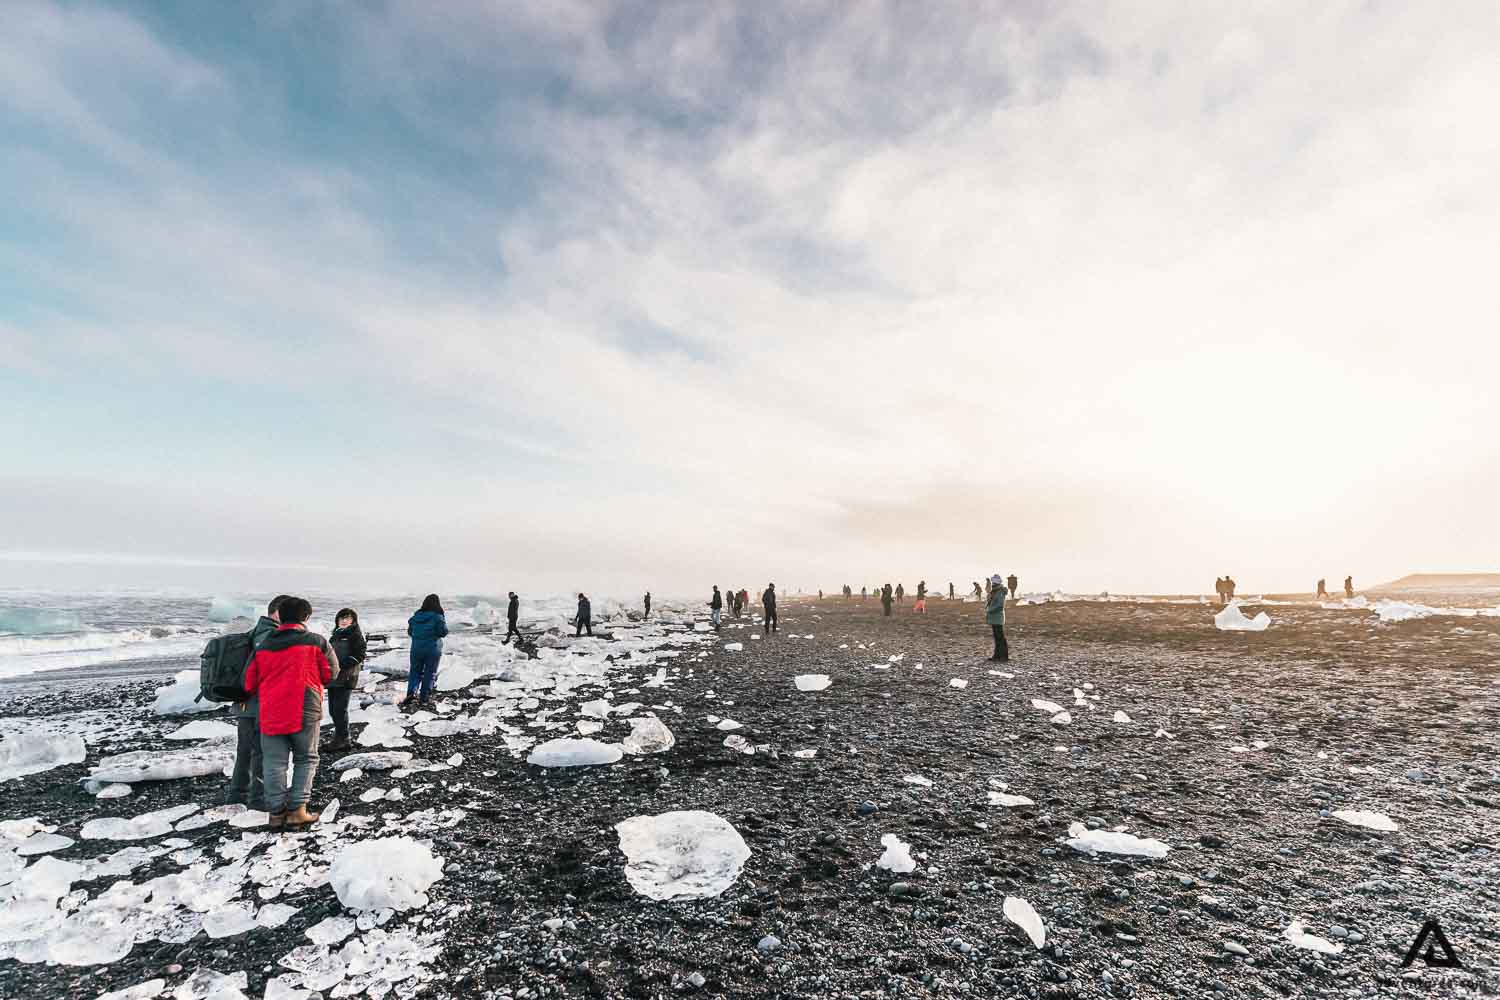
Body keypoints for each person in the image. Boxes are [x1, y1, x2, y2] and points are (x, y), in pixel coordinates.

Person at [242, 595, 335, 829]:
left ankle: (276, 813)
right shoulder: (316, 642)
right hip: (305, 706)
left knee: (274, 762)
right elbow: (331, 674)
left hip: (271, 710)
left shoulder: (263, 646)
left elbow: (249, 682)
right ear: (306, 617)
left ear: (279, 616)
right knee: (306, 758)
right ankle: (297, 810)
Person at [226, 595, 288, 809]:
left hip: (245, 702)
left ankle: (237, 795)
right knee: (261, 751)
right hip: (258, 703)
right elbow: (265, 671)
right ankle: (257, 800)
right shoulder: (269, 634)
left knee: (245, 750)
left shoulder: (258, 630)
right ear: (277, 612)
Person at [326, 607, 365, 751]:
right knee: (332, 710)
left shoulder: (355, 635)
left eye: (347, 618)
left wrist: (340, 665)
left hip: (346, 677)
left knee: (340, 709)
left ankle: (343, 739)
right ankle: (339, 737)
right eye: (341, 618)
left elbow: (359, 655)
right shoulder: (334, 635)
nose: (343, 620)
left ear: (353, 621)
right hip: (333, 678)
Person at [403, 594, 448, 707]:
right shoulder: (438, 617)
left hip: (416, 649)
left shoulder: (415, 617)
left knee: (415, 671)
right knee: (430, 673)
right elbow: (443, 632)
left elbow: (410, 632)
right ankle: (424, 698)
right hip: (432, 649)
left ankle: (411, 694)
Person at [986, 575, 1010, 662]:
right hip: (995, 617)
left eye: (993, 582)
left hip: (997, 617)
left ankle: (1002, 656)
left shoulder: (999, 592)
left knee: (999, 637)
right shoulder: (996, 591)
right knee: (998, 637)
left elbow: (1000, 605)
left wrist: (990, 610)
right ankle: (998, 656)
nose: (993, 584)